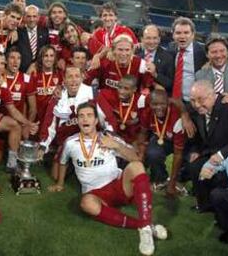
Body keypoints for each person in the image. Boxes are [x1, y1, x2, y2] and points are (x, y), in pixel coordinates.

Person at [48, 102, 167, 256]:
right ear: (77, 120)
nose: (85, 119)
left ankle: (144, 228)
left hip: (119, 185)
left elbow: (135, 158)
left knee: (136, 167)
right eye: (81, 116)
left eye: (89, 115)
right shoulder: (70, 143)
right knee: (86, 203)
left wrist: (116, 145)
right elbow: (63, 162)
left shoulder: (109, 137)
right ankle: (145, 226)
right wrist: (60, 183)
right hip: (96, 194)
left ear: (96, 121)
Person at [39, 66, 117, 179]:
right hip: (67, 142)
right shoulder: (57, 98)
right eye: (70, 77)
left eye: (77, 76)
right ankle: (71, 163)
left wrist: (108, 136)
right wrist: (43, 145)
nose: (74, 80)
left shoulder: (92, 94)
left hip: (90, 139)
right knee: (55, 176)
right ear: (64, 80)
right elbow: (49, 125)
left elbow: (108, 118)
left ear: (82, 78)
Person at [189, 80, 228, 212]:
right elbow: (198, 137)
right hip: (210, 152)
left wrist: (222, 154)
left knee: (217, 178)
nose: (197, 104)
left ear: (212, 95)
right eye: (193, 100)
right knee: (194, 166)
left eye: (201, 99)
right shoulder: (197, 110)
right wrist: (195, 151)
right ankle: (204, 205)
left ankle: (227, 206)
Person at [140, 89, 185, 196]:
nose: (159, 107)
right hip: (162, 138)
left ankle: (177, 181)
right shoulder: (147, 112)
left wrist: (172, 183)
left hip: (182, 141)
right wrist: (141, 153)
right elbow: (143, 133)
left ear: (168, 103)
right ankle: (161, 179)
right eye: (155, 104)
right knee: (152, 153)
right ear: (150, 103)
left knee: (188, 161)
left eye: (162, 104)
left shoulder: (176, 117)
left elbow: (178, 154)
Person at [168, 17, 207, 102]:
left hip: (196, 101)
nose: (182, 36)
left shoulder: (203, 51)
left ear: (193, 35)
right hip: (175, 100)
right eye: (178, 33)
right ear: (173, 35)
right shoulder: (171, 48)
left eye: (186, 33)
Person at [136, 24, 174, 93]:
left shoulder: (167, 57)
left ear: (159, 39)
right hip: (136, 95)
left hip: (156, 99)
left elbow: (170, 84)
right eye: (148, 38)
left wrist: (155, 74)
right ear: (142, 39)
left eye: (155, 38)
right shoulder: (136, 54)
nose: (152, 42)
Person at [16, 4, 49, 72]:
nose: (32, 19)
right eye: (29, 16)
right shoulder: (18, 32)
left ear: (38, 17)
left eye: (34, 16)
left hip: (39, 71)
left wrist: (35, 64)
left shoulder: (45, 32)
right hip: (20, 71)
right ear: (24, 17)